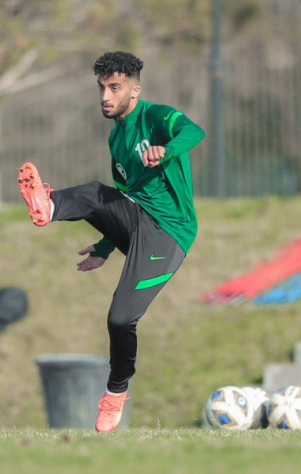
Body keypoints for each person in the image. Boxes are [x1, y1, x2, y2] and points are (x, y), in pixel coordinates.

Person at [17, 51, 205, 432]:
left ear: (134, 91)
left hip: (169, 233)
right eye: (102, 87)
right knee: (92, 192)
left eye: (114, 88)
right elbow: (123, 200)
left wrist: (167, 149)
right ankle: (48, 206)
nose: (105, 96)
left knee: (120, 319)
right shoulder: (117, 139)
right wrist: (105, 246)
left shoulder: (156, 116)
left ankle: (115, 393)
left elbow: (194, 132)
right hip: (136, 221)